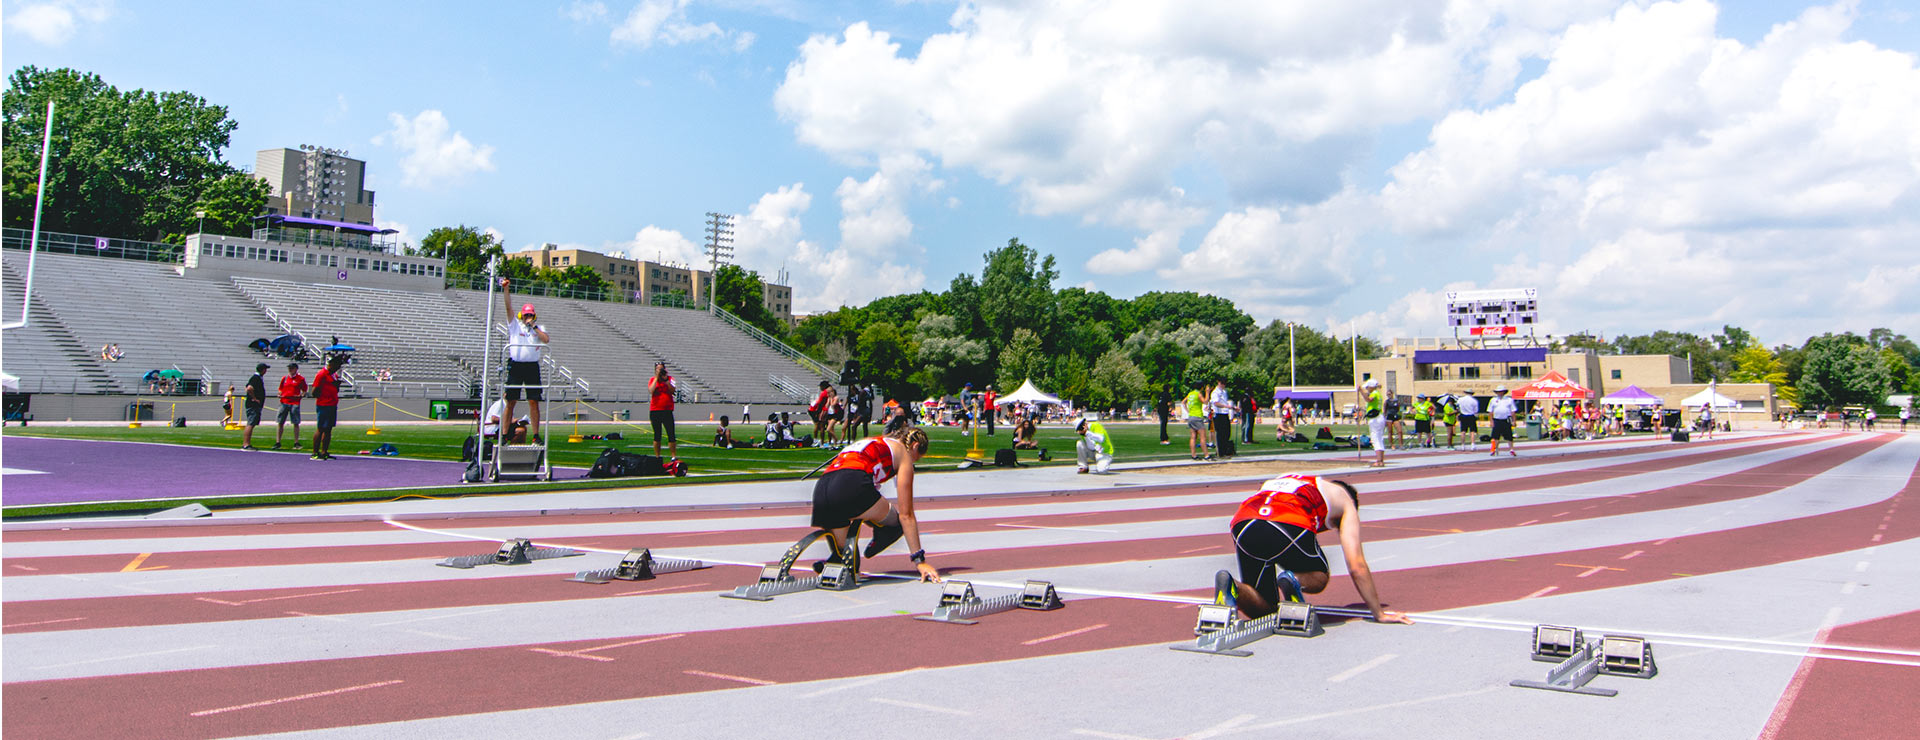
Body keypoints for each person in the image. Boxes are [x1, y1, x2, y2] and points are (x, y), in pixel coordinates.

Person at [1214, 474, 1411, 625]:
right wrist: (1378, 613)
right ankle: (1294, 580)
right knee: (1319, 576)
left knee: (1265, 610)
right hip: (1288, 520)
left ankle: (1233, 587)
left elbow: (1265, 517)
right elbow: (1356, 565)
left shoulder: (1290, 479)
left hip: (1243, 521)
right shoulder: (1345, 500)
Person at [808, 426, 941, 582]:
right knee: (896, 524)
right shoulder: (904, 455)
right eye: (916, 458)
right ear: (915, 446)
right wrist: (919, 560)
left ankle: (837, 559)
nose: (913, 463)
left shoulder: (872, 441)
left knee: (848, 561)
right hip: (852, 485)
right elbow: (907, 515)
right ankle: (882, 533)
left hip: (821, 490)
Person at [500, 279, 549, 445]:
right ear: (522, 315)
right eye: (526, 315)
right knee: (511, 400)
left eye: (530, 315)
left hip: (532, 367)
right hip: (516, 366)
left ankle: (536, 435)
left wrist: (534, 327)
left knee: (534, 401)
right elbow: (508, 308)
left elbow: (546, 340)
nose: (528, 317)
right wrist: (506, 290)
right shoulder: (515, 326)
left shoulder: (538, 328)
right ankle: (505, 434)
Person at [309, 354, 345, 460]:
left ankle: (324, 451)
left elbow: (334, 389)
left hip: (332, 404)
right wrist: (322, 395)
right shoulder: (322, 374)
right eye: (337, 366)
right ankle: (315, 452)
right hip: (324, 404)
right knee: (321, 428)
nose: (337, 368)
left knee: (328, 429)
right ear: (331, 364)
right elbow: (314, 391)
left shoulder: (333, 375)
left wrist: (336, 386)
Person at [273, 362, 307, 450]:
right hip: (284, 401)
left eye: (292, 368)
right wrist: (279, 394)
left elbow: (304, 390)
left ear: (296, 369)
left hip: (294, 402)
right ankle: (278, 441)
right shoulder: (285, 378)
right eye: (289, 368)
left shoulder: (300, 379)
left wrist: (301, 395)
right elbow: (280, 389)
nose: (290, 370)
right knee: (280, 422)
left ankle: (296, 442)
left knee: (295, 422)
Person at [648, 361, 678, 459]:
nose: (660, 371)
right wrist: (657, 378)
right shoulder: (652, 380)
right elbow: (651, 390)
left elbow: (673, 390)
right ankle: (657, 456)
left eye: (661, 368)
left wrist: (666, 381)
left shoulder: (670, 379)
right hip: (655, 410)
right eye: (658, 369)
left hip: (667, 410)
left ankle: (673, 456)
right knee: (657, 435)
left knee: (671, 434)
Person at [1359, 378, 1386, 467]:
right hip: (1379, 417)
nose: (1367, 389)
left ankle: (1379, 460)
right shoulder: (1378, 394)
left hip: (1375, 418)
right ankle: (1381, 460)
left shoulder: (1374, 393)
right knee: (1379, 438)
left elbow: (1369, 399)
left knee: (1375, 438)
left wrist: (1361, 391)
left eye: (1367, 387)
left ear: (1371, 387)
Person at [240, 363, 267, 450]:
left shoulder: (256, 378)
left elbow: (247, 387)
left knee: (252, 423)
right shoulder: (256, 378)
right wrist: (254, 398)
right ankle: (246, 444)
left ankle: (247, 443)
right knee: (250, 424)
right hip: (253, 405)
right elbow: (249, 388)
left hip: (254, 405)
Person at [1488, 385, 1518, 457]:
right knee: (1495, 436)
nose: (1499, 393)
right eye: (1498, 392)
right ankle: (1495, 449)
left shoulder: (1509, 400)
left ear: (1504, 392)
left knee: (1509, 436)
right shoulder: (1493, 400)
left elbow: (1513, 411)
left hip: (1506, 419)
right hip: (1497, 419)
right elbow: (1490, 411)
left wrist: (1514, 421)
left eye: (1501, 392)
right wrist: (1491, 421)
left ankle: (1511, 449)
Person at [1209, 376, 1234, 460]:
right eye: (1222, 383)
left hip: (1225, 413)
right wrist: (1226, 406)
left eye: (1225, 384)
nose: (1223, 385)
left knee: (1227, 433)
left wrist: (1232, 408)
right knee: (1220, 434)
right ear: (1219, 382)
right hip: (1218, 414)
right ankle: (1220, 453)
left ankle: (1224, 451)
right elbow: (1216, 403)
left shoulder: (1224, 392)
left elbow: (1225, 402)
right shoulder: (1215, 392)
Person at [1184, 380, 1209, 460]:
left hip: (1191, 416)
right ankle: (1206, 455)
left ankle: (1193, 455)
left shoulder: (1190, 394)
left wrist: (1188, 410)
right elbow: (1205, 402)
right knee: (1203, 437)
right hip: (1197, 417)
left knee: (1193, 437)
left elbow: (1183, 402)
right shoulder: (1198, 394)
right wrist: (1207, 392)